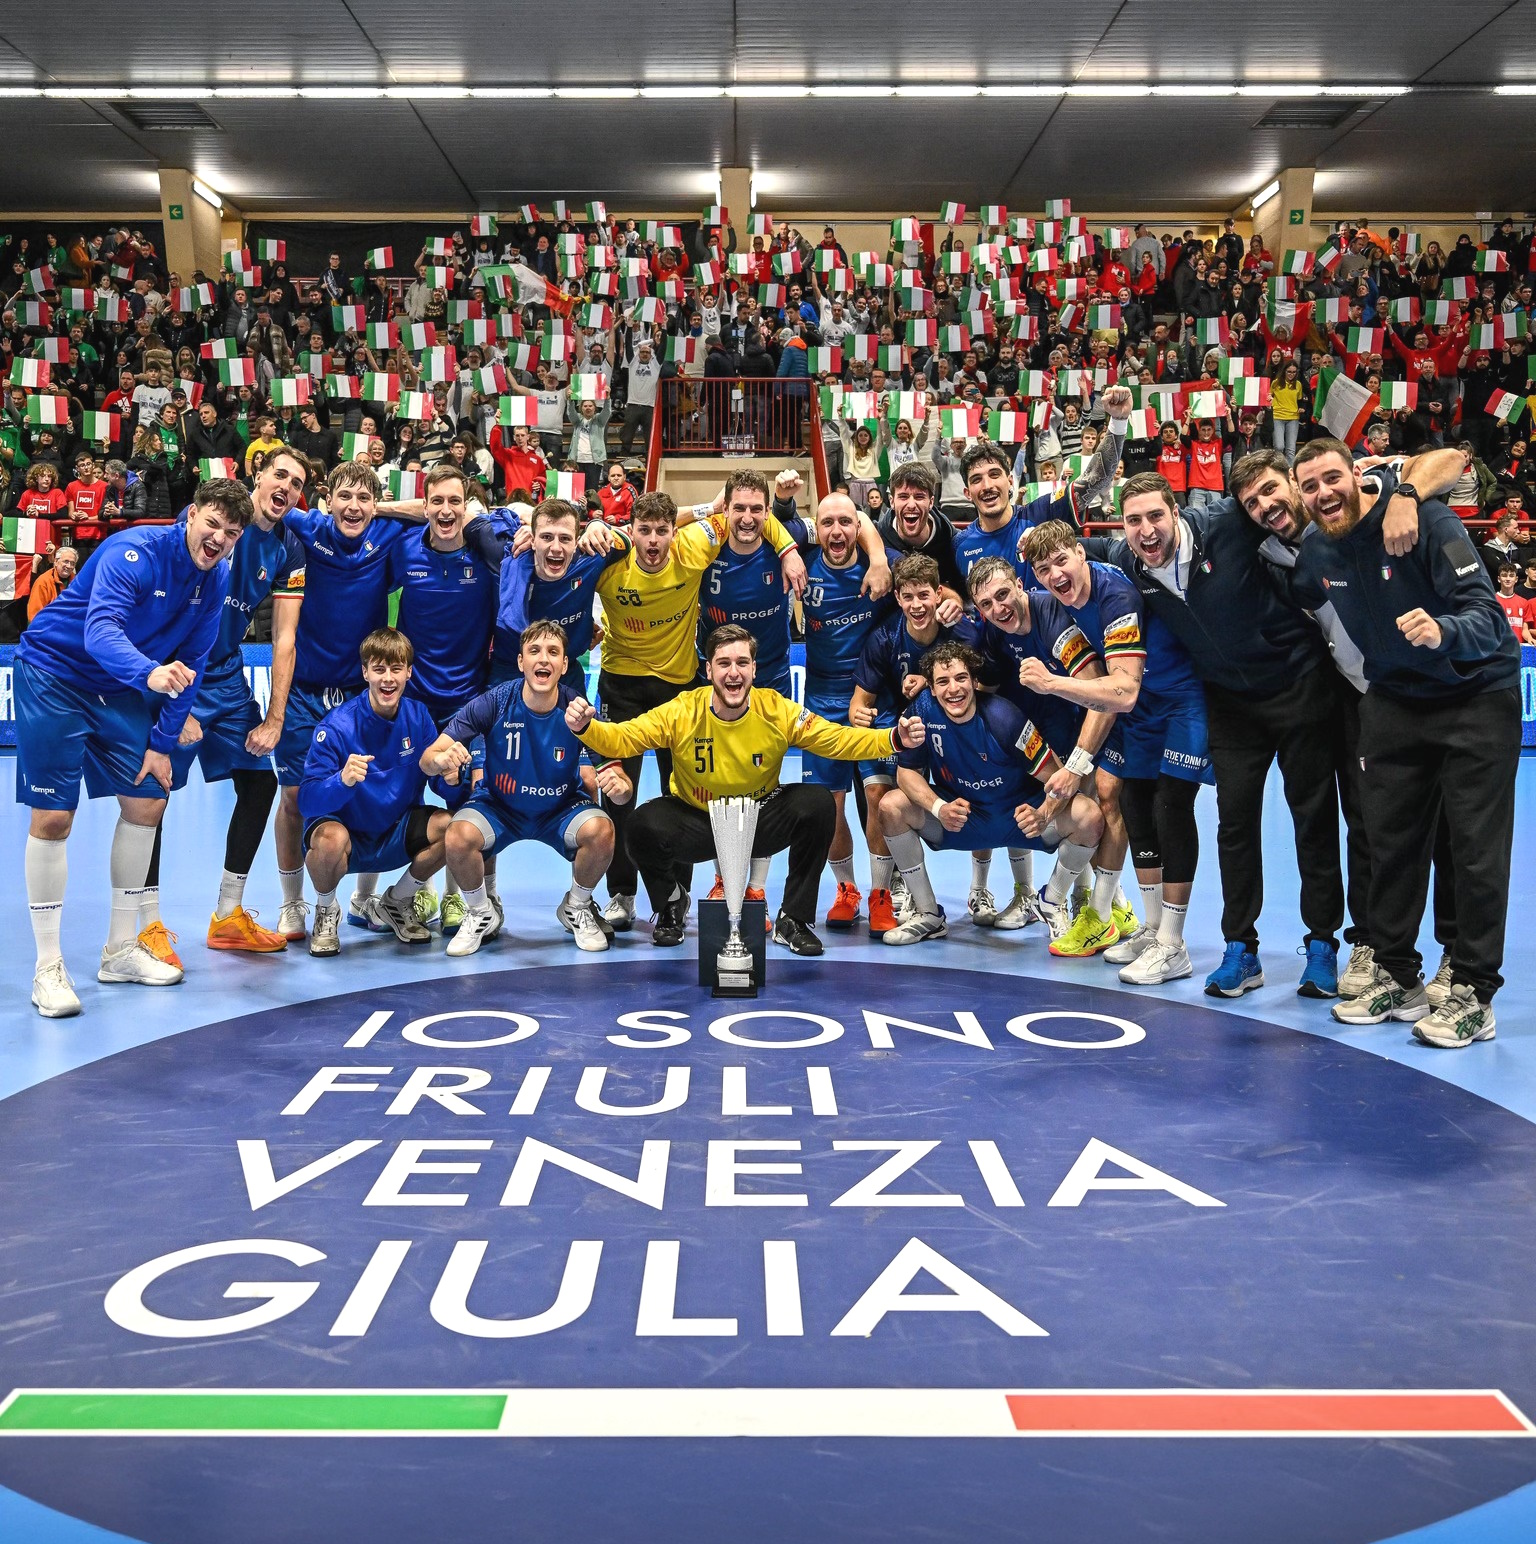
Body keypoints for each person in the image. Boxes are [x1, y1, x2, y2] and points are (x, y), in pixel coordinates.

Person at [1291, 438, 1521, 1047]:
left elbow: (1488, 617)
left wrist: (1441, 630)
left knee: (1475, 851)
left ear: (1357, 474)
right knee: (1388, 842)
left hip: (1475, 695)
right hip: (1394, 699)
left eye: (1331, 478)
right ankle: (1397, 975)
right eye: (1309, 486)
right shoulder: (1316, 550)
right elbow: (1300, 598)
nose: (1323, 493)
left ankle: (1474, 992)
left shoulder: (1427, 520)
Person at [17, 481, 252, 1018]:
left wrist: (162, 743)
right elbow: (100, 632)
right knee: (54, 817)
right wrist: (149, 673)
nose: (219, 539)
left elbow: (192, 664)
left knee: (149, 799)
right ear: (191, 515)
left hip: (116, 687)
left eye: (232, 533)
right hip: (54, 672)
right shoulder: (134, 551)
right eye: (213, 524)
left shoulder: (215, 578)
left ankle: (120, 949)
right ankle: (47, 966)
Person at [565, 624, 926, 954]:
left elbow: (838, 739)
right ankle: (671, 902)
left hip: (757, 818)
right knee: (641, 825)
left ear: (754, 669)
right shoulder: (682, 710)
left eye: (742, 663)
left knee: (817, 802)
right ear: (709, 671)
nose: (733, 672)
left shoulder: (777, 710)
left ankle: (794, 919)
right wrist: (586, 728)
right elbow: (623, 737)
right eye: (723, 663)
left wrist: (893, 739)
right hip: (698, 819)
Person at [592, 485, 806, 931]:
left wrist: (787, 549)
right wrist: (590, 528)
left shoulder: (695, 544)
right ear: (630, 530)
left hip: (678, 688)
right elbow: (563, 551)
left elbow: (746, 517)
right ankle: (622, 894)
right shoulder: (611, 556)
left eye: (662, 531)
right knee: (616, 793)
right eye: (644, 531)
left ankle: (676, 894)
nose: (653, 541)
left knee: (682, 796)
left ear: (675, 532)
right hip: (620, 685)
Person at [1022, 517, 1210, 986]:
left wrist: (1051, 684)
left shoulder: (1115, 596)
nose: (1055, 575)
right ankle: (1152, 928)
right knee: (1133, 804)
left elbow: (1122, 692)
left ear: (1080, 554)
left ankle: (1173, 944)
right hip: (1144, 712)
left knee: (1170, 807)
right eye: (1043, 569)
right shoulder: (1067, 598)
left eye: (1061, 560)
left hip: (1180, 701)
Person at [419, 621, 633, 956]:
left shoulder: (578, 711)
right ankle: (480, 911)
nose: (543, 659)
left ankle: (576, 906)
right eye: (534, 651)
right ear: (521, 662)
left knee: (602, 830)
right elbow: (427, 759)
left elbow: (622, 786)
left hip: (559, 809)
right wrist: (441, 759)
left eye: (553, 652)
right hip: (500, 807)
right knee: (458, 835)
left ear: (564, 664)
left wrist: (620, 788)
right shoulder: (494, 702)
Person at [168, 450, 308, 954]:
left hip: (226, 674)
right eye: (280, 475)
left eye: (297, 483)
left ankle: (228, 914)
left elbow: (284, 639)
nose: (286, 487)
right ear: (258, 474)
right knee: (150, 795)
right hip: (176, 668)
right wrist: (174, 701)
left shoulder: (289, 548)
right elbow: (161, 606)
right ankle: (141, 925)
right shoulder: (216, 523)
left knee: (259, 783)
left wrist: (274, 717)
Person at [879, 641, 1107, 946]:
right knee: (890, 806)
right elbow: (906, 773)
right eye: (943, 682)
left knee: (1089, 815)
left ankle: (1051, 900)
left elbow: (1058, 779)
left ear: (975, 682)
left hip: (1019, 821)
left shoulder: (1005, 718)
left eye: (961, 678)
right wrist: (938, 808)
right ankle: (928, 914)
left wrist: (1044, 814)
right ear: (931, 689)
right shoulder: (920, 711)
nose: (953, 689)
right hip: (962, 821)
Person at [271, 460, 416, 939]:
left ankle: (364, 898)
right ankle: (292, 903)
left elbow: (440, 509)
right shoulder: (307, 526)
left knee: (370, 791)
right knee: (294, 796)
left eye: (364, 499)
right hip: (305, 688)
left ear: (377, 504)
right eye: (345, 497)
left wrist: (383, 509)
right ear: (327, 500)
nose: (354, 507)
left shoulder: (387, 531)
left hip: (361, 691)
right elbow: (261, 505)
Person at [966, 556, 1127, 939]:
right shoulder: (994, 631)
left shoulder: (1051, 617)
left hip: (1079, 729)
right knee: (1019, 802)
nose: (997, 609)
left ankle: (1089, 902)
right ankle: (1031, 897)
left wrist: (1078, 763)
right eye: (986, 604)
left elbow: (1100, 695)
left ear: (1020, 586)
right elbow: (988, 690)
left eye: (1002, 595)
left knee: (1089, 810)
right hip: (1032, 732)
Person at [299, 628, 452, 957]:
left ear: (409, 672)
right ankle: (326, 909)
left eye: (396, 669)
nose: (388, 679)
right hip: (348, 839)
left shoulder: (418, 716)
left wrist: (450, 776)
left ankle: (397, 900)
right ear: (365, 672)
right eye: (379, 669)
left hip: (395, 832)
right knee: (327, 840)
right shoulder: (336, 727)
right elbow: (307, 801)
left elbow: (434, 778)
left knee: (453, 829)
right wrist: (341, 781)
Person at [798, 491, 901, 932]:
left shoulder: (884, 564)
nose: (836, 531)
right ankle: (846, 890)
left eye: (846, 522)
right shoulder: (802, 562)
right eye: (827, 523)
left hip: (876, 697)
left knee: (878, 797)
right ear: (816, 529)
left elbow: (929, 585)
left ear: (859, 527)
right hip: (821, 700)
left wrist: (878, 557)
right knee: (829, 805)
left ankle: (881, 894)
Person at [25, 543, 78, 622]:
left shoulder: (77, 583)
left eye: (72, 563)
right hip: (47, 625)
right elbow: (35, 614)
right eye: (66, 561)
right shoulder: (43, 582)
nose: (69, 566)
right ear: (56, 561)